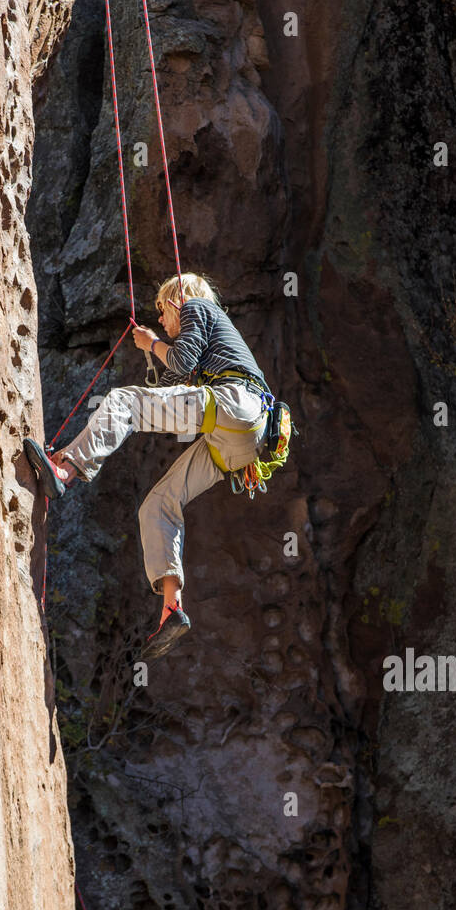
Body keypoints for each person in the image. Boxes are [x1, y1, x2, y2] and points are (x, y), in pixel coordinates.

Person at [25, 273, 272, 659]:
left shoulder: (195, 306)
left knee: (125, 403)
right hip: (245, 441)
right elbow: (180, 371)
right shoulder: (215, 333)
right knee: (158, 505)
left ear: (176, 300)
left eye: (161, 309)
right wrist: (156, 349)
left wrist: (153, 343)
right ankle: (172, 607)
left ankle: (64, 470)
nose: (161, 318)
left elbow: (181, 359)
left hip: (233, 404)